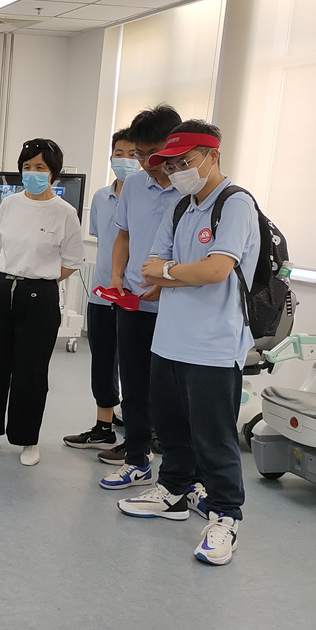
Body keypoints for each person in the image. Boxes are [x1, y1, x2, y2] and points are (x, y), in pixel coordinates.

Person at [117, 121, 259, 566]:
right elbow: (150, 267)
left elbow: (216, 271)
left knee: (214, 436)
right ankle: (174, 492)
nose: (177, 170)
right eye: (172, 164)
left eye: (185, 161)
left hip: (214, 344)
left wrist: (172, 273)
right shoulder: (182, 207)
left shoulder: (235, 204)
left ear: (213, 155)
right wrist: (178, 273)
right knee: (171, 425)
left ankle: (225, 515)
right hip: (169, 339)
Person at [0, 138, 85, 466]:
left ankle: (27, 439)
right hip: (1, 288)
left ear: (53, 173)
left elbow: (72, 261)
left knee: (31, 372)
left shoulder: (65, 213)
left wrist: (40, 279)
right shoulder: (9, 204)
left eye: (40, 167)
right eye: (27, 167)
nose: (32, 173)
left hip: (40, 294)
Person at [99, 104, 182, 483]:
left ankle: (181, 475)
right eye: (138, 154)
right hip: (132, 302)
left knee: (171, 392)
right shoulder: (134, 185)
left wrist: (165, 283)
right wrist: (117, 276)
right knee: (132, 387)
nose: (146, 162)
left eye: (153, 153)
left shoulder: (191, 189)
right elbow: (124, 235)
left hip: (175, 306)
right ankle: (136, 460)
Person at [63, 129, 136, 451]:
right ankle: (103, 427)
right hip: (102, 294)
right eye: (119, 153)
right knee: (102, 364)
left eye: (133, 154)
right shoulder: (100, 198)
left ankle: (139, 434)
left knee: (134, 368)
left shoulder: (149, 198)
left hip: (137, 297)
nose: (125, 160)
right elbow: (104, 240)